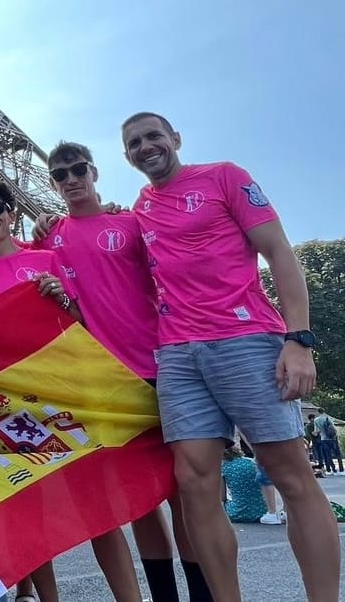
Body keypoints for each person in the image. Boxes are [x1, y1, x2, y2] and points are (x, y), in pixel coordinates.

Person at [122, 111, 340, 602]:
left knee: (290, 474)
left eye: (154, 136)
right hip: (178, 352)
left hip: (245, 339)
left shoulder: (225, 176)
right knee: (193, 480)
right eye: (134, 143)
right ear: (126, 156)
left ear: (176, 138)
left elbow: (279, 252)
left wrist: (298, 339)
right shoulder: (140, 207)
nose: (146, 146)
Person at [39, 141, 211, 602]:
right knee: (138, 503)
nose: (71, 179)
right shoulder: (48, 238)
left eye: (78, 170)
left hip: (162, 368)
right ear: (52, 182)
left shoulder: (131, 223)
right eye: (60, 174)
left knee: (183, 492)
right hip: (103, 379)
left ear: (94, 171)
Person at [0, 181, 77, 602]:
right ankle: (41, 595)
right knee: (25, 498)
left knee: (72, 495)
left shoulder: (47, 258)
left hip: (52, 389)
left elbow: (82, 318)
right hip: (3, 395)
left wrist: (63, 299)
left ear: (13, 213)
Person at [221, 446, 268, 523]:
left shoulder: (224, 467)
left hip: (237, 513)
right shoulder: (251, 462)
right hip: (261, 510)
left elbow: (222, 497)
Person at [313, 408, 343, 475]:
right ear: (324, 411)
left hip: (323, 439)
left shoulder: (316, 420)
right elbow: (333, 428)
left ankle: (333, 469)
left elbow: (316, 431)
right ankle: (341, 469)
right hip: (332, 439)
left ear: (318, 412)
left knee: (328, 455)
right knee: (338, 454)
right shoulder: (328, 418)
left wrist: (314, 434)